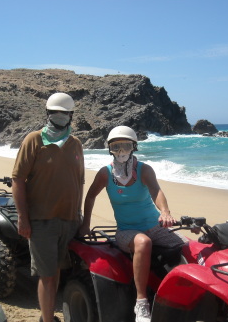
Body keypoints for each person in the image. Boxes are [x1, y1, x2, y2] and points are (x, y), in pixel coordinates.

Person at [79, 125, 187, 322]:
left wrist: (165, 212)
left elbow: (156, 191)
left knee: (188, 245)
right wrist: (86, 224)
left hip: (154, 225)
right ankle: (141, 302)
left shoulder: (144, 169)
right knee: (143, 243)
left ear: (134, 147)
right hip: (126, 231)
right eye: (116, 147)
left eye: (126, 146)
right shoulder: (105, 173)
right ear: (109, 149)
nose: (121, 151)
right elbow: (90, 197)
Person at [11, 92, 85, 322]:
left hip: (69, 221)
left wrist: (79, 215)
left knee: (58, 271)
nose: (60, 117)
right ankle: (47, 318)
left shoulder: (76, 144)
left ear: (71, 116)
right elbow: (17, 180)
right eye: (55, 113)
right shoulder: (33, 140)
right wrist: (23, 218)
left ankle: (49, 315)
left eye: (65, 113)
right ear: (48, 114)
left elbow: (79, 181)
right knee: (47, 275)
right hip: (42, 221)